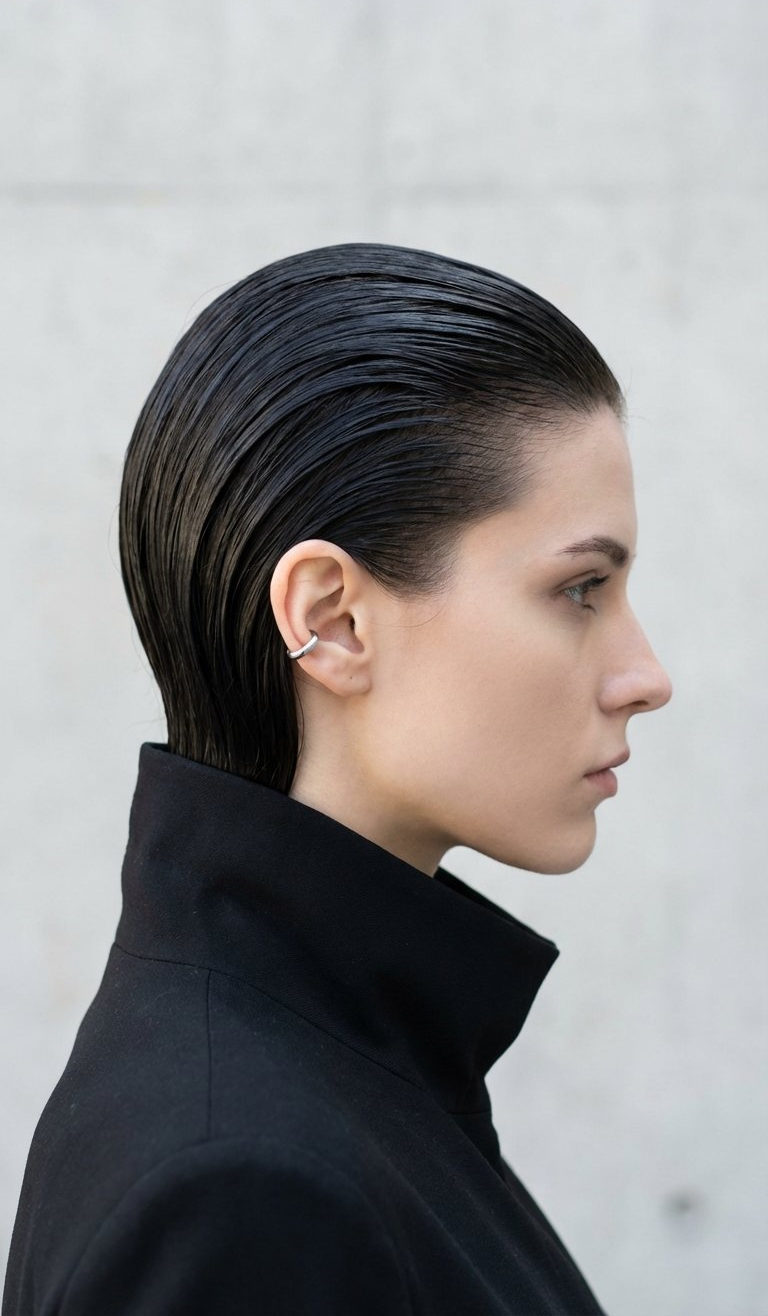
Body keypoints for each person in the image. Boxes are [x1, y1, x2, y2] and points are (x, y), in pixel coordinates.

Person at [3, 243, 672, 1315]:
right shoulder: (240, 1191)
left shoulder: (314, 1077)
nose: (648, 676)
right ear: (332, 619)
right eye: (582, 587)